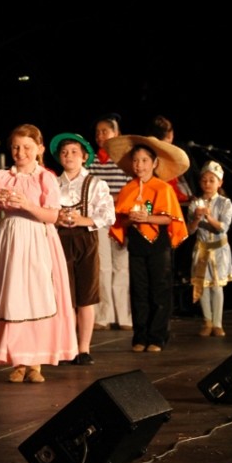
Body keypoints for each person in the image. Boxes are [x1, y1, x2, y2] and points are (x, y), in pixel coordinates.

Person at [0, 124, 74, 382]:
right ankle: (18, 360)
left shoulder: (44, 177)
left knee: (37, 296)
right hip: (10, 237)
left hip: (37, 236)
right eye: (15, 147)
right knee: (13, 296)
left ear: (39, 149)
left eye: (26, 147)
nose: (20, 152)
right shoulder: (1, 177)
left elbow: (54, 215)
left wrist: (27, 205)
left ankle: (36, 361)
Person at [106, 135, 189, 352]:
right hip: (136, 243)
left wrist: (147, 218)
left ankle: (157, 336)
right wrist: (130, 219)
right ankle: (140, 336)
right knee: (139, 291)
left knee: (159, 290)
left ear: (154, 163)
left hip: (158, 243)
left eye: (144, 160)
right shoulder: (128, 189)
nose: (139, 165)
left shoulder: (163, 188)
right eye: (135, 160)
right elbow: (120, 220)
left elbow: (170, 218)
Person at [48, 132, 115, 365]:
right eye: (64, 152)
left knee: (86, 296)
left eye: (74, 152)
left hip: (85, 239)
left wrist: (83, 220)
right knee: (64, 297)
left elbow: (108, 215)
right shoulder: (53, 184)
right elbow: (45, 212)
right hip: (59, 240)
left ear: (84, 156)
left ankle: (83, 348)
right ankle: (67, 347)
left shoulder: (95, 184)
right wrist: (57, 218)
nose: (69, 156)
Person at [87, 113, 133, 331]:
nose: (100, 136)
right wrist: (110, 199)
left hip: (122, 220)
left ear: (117, 134)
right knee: (103, 268)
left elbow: (131, 192)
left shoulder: (125, 161)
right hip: (101, 220)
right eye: (97, 132)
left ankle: (124, 316)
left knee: (122, 268)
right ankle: (104, 315)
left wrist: (115, 200)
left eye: (105, 131)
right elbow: (91, 192)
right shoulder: (92, 161)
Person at [187, 160, 232, 337]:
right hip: (201, 248)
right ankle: (207, 321)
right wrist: (197, 218)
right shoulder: (195, 203)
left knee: (216, 286)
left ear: (219, 183)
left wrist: (208, 216)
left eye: (211, 180)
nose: (207, 184)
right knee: (203, 285)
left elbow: (223, 227)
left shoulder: (225, 203)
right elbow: (190, 230)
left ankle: (218, 323)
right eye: (204, 180)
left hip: (219, 251)